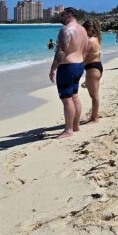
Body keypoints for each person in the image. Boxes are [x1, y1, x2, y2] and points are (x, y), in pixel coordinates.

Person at [50, 7, 88, 137]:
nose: (60, 16)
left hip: (67, 67)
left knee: (67, 99)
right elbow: (85, 49)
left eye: (62, 14)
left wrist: (53, 69)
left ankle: (69, 130)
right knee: (74, 96)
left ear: (69, 14)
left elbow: (62, 51)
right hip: (79, 65)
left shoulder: (66, 30)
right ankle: (75, 125)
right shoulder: (82, 29)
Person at [80, 20, 103, 124]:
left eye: (84, 30)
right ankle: (94, 115)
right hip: (96, 66)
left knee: (94, 95)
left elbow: (83, 56)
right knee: (95, 94)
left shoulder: (90, 41)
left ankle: (95, 118)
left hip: (92, 68)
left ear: (89, 30)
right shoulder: (97, 38)